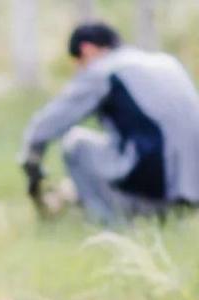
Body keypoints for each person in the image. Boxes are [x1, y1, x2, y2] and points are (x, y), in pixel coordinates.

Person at [19, 21, 199, 225]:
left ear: (87, 50)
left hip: (154, 185)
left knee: (75, 144)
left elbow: (50, 123)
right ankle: (168, 221)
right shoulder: (166, 62)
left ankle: (109, 224)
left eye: (78, 63)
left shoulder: (105, 69)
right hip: (191, 189)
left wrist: (31, 159)